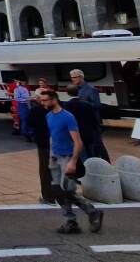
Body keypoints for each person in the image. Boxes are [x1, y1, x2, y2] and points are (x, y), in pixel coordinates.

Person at [40, 90, 103, 234]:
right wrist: (51, 154)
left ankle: (92, 212)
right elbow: (52, 136)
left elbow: (78, 142)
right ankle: (71, 221)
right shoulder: (49, 116)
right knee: (57, 191)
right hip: (55, 157)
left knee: (67, 191)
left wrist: (73, 161)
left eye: (45, 100)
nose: (42, 103)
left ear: (54, 100)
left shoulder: (68, 117)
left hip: (67, 157)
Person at [64, 85, 110, 162]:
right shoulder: (87, 104)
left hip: (76, 134)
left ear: (67, 93)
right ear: (78, 92)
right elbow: (94, 119)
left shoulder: (66, 106)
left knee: (81, 156)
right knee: (90, 153)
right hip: (88, 133)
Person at [30, 88, 55, 205]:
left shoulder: (36, 110)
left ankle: (48, 196)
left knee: (45, 170)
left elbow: (29, 122)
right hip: (54, 143)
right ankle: (59, 195)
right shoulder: (57, 110)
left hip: (44, 144)